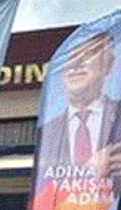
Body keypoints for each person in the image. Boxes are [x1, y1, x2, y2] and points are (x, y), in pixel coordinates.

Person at [40, 32, 121, 174]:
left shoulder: (118, 116)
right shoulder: (48, 132)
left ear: (107, 64)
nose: (75, 65)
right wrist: (92, 171)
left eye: (86, 56)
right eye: (68, 60)